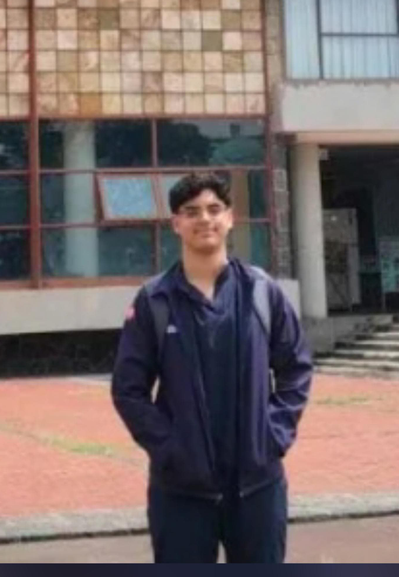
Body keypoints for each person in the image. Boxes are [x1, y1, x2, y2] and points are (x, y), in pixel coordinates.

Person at [111, 172, 314, 563]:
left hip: (257, 487)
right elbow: (128, 388)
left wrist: (273, 434)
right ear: (176, 224)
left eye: (213, 209)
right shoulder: (155, 300)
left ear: (230, 218)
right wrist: (168, 448)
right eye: (191, 212)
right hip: (182, 492)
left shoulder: (260, 292)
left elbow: (296, 368)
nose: (204, 219)